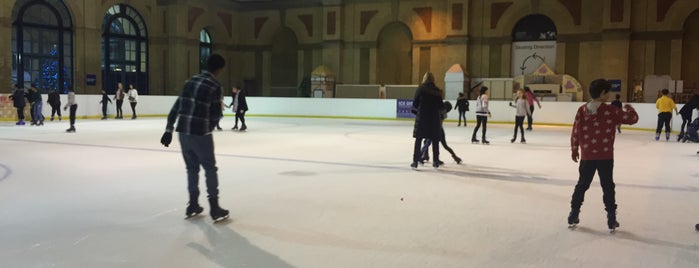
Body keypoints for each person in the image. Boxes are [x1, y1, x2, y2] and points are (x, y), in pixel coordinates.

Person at [160, 54, 229, 222]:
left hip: (183, 132)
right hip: (201, 134)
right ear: (219, 69)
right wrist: (209, 128)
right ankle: (214, 207)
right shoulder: (215, 85)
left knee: (191, 169)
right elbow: (216, 114)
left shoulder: (189, 82)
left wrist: (169, 130)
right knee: (210, 168)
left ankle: (192, 204)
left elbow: (177, 107)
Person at [567, 79, 639, 232]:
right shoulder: (610, 110)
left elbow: (575, 131)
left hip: (587, 157)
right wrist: (630, 108)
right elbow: (632, 119)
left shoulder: (582, 110)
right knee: (607, 186)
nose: (609, 95)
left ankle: (574, 213)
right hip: (605, 157)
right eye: (608, 92)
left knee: (582, 185)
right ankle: (611, 218)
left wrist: (574, 149)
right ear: (602, 93)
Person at [410, 72, 443, 169]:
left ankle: (415, 161)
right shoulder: (437, 91)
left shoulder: (420, 89)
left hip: (422, 119)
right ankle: (436, 161)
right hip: (434, 119)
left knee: (418, 140)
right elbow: (441, 107)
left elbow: (415, 104)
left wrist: (418, 113)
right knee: (435, 140)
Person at [419, 101, 462, 165]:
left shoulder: (438, 111)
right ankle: (424, 156)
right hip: (438, 129)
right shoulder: (443, 113)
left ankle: (423, 156)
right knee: (435, 144)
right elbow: (440, 122)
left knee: (427, 143)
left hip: (435, 129)